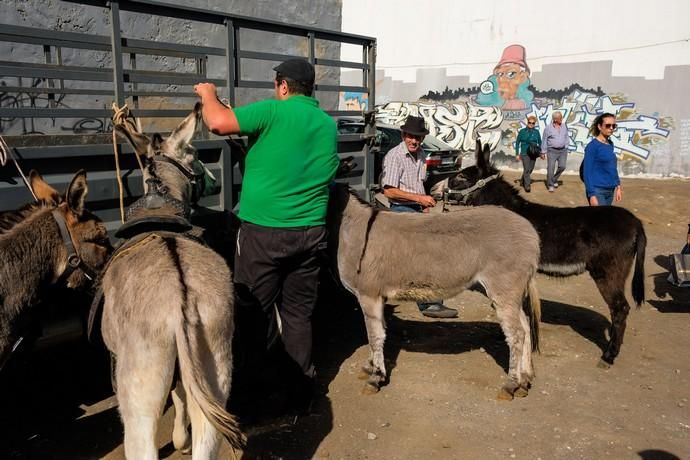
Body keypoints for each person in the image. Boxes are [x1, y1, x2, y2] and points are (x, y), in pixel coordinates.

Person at [194, 58, 338, 413]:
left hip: (264, 235)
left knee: (252, 313)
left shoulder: (272, 112)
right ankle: (300, 392)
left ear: (284, 86)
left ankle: (251, 396)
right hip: (309, 235)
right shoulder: (325, 124)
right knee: (297, 315)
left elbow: (217, 121)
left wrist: (208, 93)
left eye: (276, 84)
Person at [381, 116, 459, 319]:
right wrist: (419, 198)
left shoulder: (422, 154)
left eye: (418, 137)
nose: (414, 141)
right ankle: (428, 303)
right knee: (423, 254)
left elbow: (419, 183)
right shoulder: (394, 156)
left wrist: (423, 204)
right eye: (411, 137)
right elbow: (389, 191)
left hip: (416, 209)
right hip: (401, 210)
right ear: (404, 135)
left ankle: (431, 299)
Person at [583, 112, 621, 206]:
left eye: (614, 126)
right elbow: (587, 172)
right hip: (598, 191)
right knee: (600, 220)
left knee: (605, 220)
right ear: (599, 127)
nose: (611, 128)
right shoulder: (592, 146)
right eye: (608, 125)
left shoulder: (610, 144)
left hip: (610, 190)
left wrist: (618, 186)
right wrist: (592, 194)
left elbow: (612, 167)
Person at [541, 111, 570, 192]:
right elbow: (544, 140)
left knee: (562, 166)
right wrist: (543, 152)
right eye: (560, 118)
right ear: (555, 119)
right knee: (551, 168)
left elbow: (566, 136)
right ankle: (550, 184)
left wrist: (567, 145)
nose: (562, 119)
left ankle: (553, 179)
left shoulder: (564, 126)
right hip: (552, 151)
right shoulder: (548, 128)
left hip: (563, 151)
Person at [514, 114, 542, 192]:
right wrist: (517, 154)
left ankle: (523, 180)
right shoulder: (522, 131)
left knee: (530, 169)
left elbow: (540, 142)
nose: (531, 124)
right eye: (530, 122)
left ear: (535, 124)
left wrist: (541, 152)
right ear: (527, 122)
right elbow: (517, 142)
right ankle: (527, 186)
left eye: (533, 123)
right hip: (524, 152)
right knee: (526, 169)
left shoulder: (536, 132)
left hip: (533, 153)